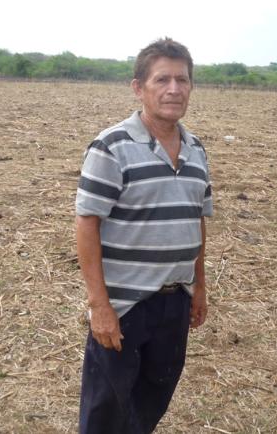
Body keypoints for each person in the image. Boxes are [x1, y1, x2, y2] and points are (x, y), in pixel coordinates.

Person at [75, 38, 213, 434]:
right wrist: (100, 306)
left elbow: (196, 222)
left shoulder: (196, 149)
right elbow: (87, 224)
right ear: (139, 87)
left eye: (182, 80)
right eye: (162, 79)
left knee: (152, 399)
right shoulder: (111, 146)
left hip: (175, 302)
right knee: (106, 408)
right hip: (125, 305)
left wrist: (199, 287)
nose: (174, 89)